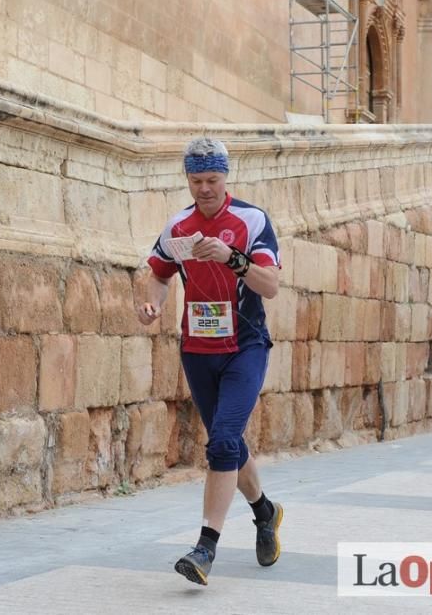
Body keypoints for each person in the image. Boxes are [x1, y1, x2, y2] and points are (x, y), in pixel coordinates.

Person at [136, 137, 283, 586]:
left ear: (226, 177)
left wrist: (232, 258)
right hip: (197, 351)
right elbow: (157, 275)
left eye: (212, 180)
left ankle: (205, 548)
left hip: (244, 346)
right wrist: (151, 304)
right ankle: (265, 512)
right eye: (196, 180)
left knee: (221, 440)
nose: (204, 189)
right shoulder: (177, 226)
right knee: (230, 443)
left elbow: (270, 285)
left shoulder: (251, 219)